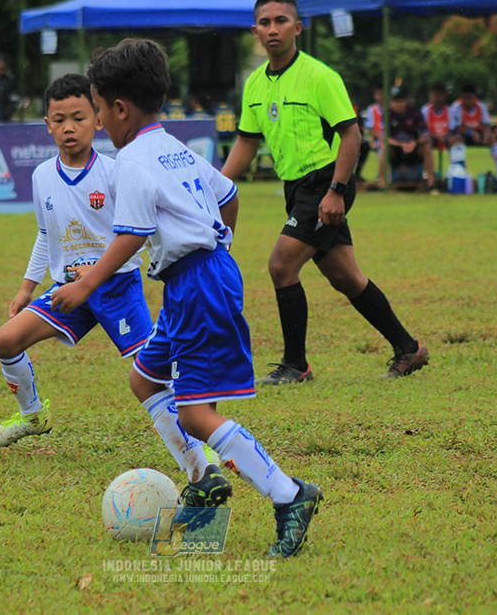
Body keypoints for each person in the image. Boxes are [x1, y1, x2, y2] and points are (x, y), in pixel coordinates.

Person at [50, 38, 323, 558]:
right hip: (192, 280)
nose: (100, 120)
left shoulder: (130, 161)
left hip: (198, 283)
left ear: (119, 108)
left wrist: (85, 285)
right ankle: (203, 477)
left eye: (100, 109)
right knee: (145, 379)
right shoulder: (176, 147)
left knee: (197, 413)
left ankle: (290, 495)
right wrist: (220, 244)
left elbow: (130, 235)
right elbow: (228, 195)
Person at [0, 73, 217, 493]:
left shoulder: (115, 172)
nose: (69, 127)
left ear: (97, 120)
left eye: (78, 117)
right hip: (69, 293)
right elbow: (45, 234)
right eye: (59, 119)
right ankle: (33, 416)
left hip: (116, 290)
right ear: (47, 125)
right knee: (6, 340)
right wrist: (25, 287)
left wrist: (96, 278)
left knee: (152, 375)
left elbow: (137, 232)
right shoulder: (41, 177)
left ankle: (201, 451)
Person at [220, 0, 428, 382]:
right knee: (346, 277)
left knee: (281, 266)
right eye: (265, 23)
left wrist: (336, 190)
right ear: (255, 31)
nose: (273, 29)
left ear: (297, 27)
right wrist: (216, 184)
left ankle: (296, 366)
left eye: (281, 21)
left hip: (325, 182)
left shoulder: (319, 76)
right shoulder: (254, 85)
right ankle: (408, 348)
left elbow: (352, 136)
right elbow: (247, 141)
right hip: (296, 188)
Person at [450, 84, 497, 175]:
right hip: (464, 134)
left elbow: (487, 125)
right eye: (465, 98)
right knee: (456, 140)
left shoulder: (481, 107)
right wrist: (470, 132)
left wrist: (486, 135)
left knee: (492, 138)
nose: (467, 101)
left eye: (470, 98)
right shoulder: (456, 107)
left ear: (475, 97)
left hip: (479, 133)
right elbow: (456, 127)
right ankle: (460, 170)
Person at [387, 85, 435, 187]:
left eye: (401, 100)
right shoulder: (387, 114)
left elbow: (426, 136)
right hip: (397, 150)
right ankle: (383, 183)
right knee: (384, 148)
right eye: (395, 101)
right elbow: (383, 137)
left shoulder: (415, 113)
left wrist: (414, 143)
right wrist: (401, 144)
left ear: (406, 101)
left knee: (427, 147)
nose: (398, 104)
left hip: (414, 149)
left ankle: (431, 183)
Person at [421, 82, 452, 182]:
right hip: (431, 138)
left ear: (444, 96)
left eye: (440, 95)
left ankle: (456, 171)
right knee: (426, 143)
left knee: (456, 140)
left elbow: (452, 128)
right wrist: (436, 136)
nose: (437, 98)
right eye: (434, 95)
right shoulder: (425, 110)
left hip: (446, 137)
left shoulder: (449, 111)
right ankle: (428, 172)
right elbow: (422, 129)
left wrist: (444, 136)